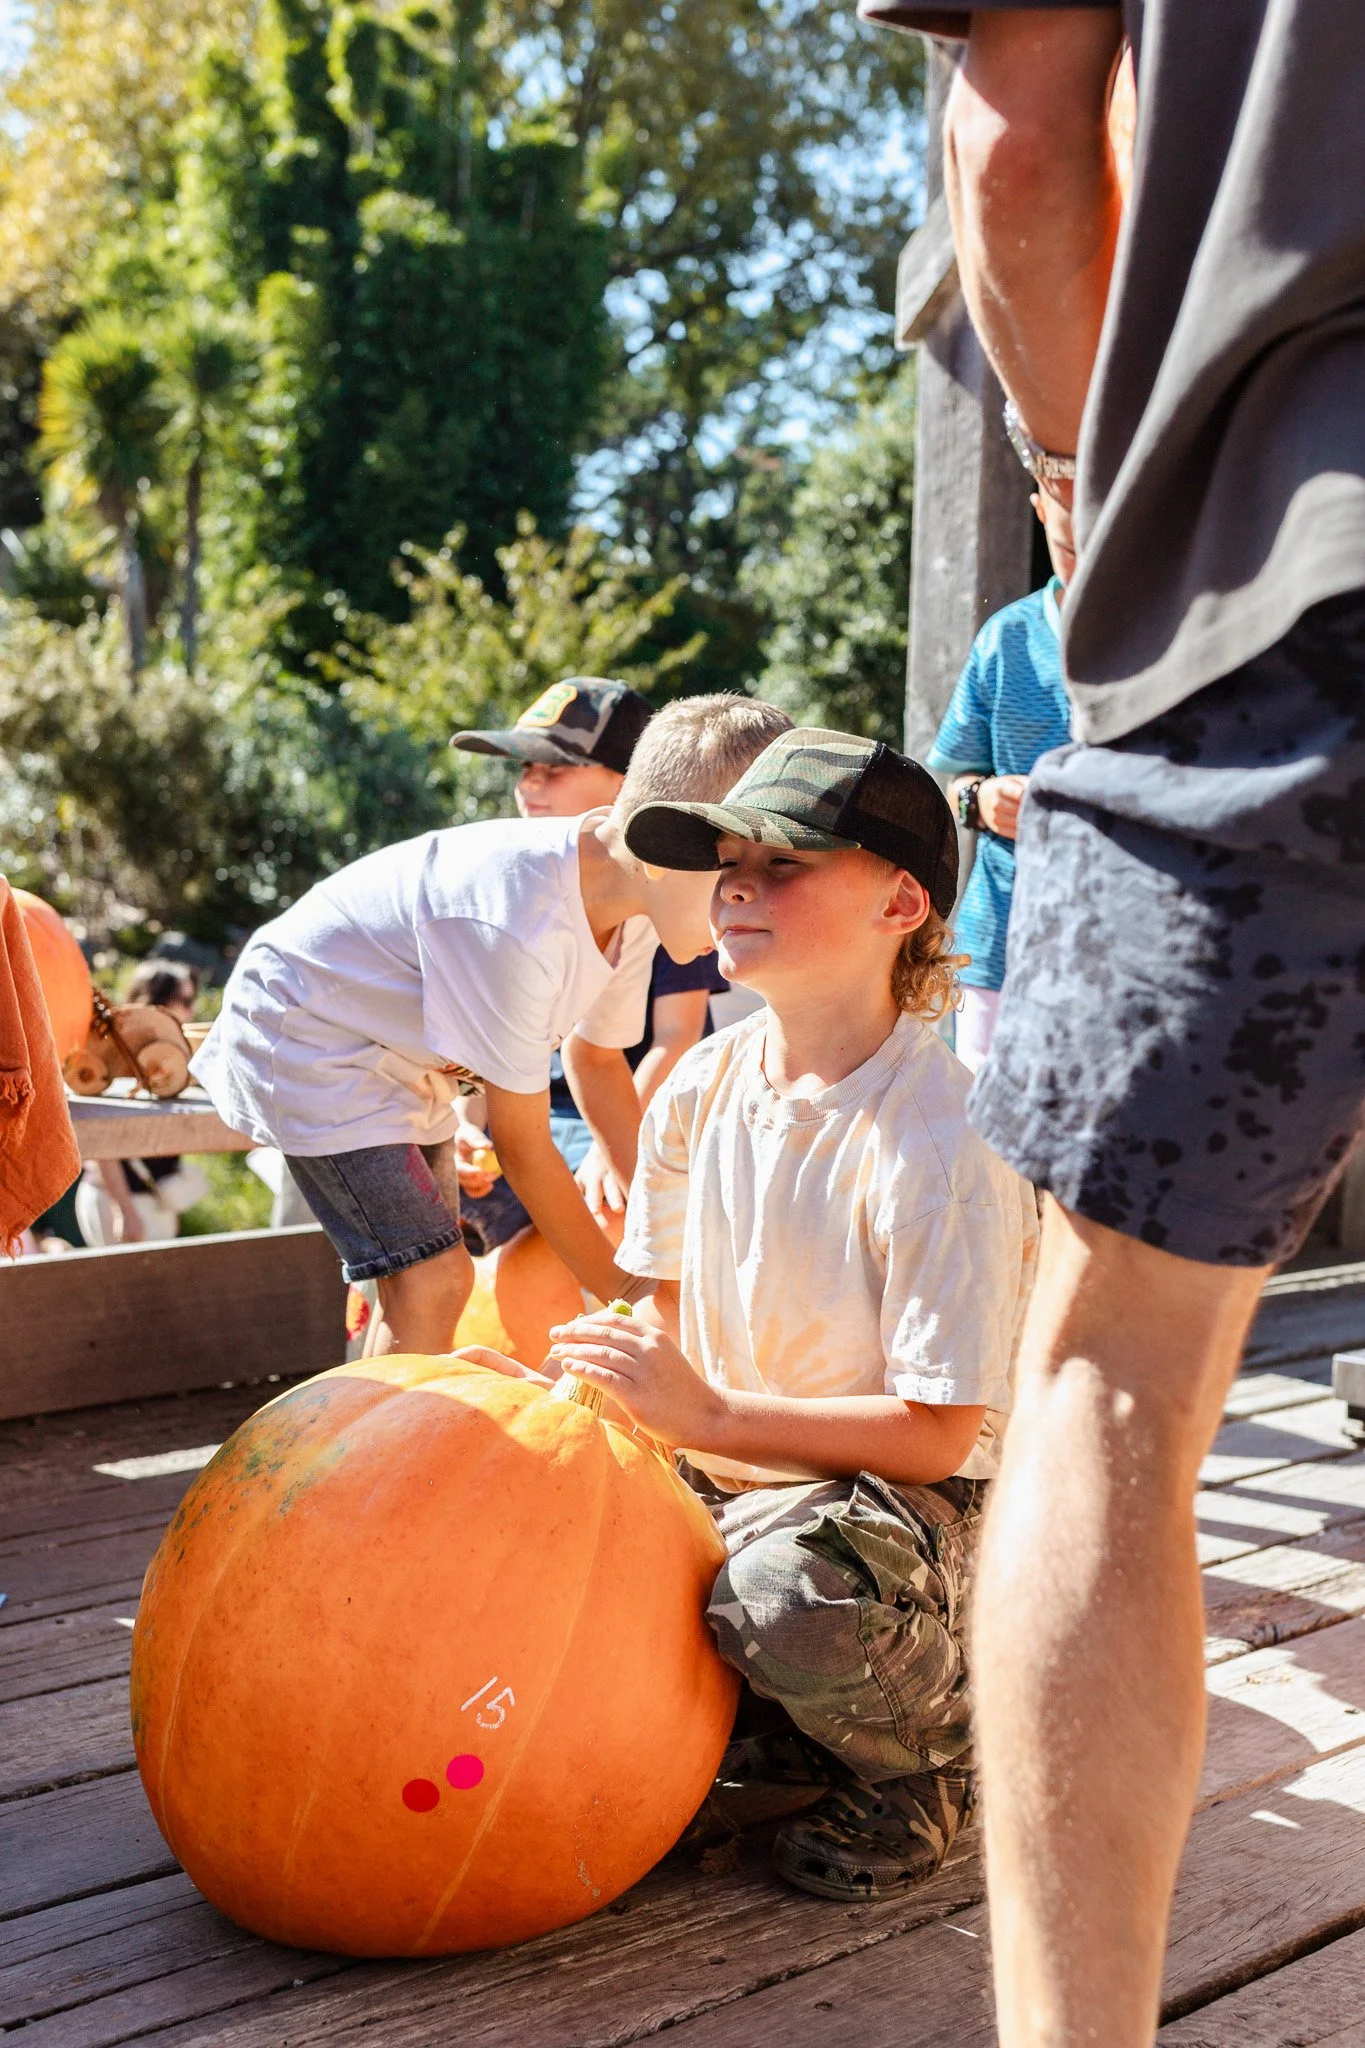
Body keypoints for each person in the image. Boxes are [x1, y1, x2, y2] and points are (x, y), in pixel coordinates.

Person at [857, 4, 1365, 2040]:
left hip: (1270, 570)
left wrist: (1083, 483)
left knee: (1113, 1388)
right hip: (1031, 914)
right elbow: (970, 768)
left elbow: (1017, 140)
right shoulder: (983, 676)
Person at [464, 728, 1037, 1899]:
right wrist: (589, 1403)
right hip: (731, 1466)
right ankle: (779, 1732)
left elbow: (936, 1432)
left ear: (902, 898)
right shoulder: (703, 1087)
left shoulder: (943, 1136)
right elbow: (660, 1315)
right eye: (727, 861)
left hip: (914, 1503)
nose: (736, 884)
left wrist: (713, 1410)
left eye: (784, 863)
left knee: (786, 1596)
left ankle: (946, 1753)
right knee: (530, 1540)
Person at [192, 695, 790, 1355]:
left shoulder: (635, 895)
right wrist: (632, 1296)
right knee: (431, 1281)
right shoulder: (519, 925)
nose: (745, 902)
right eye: (731, 875)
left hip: (395, 1055)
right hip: (305, 1034)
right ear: (660, 848)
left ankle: (374, 1435)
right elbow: (523, 1146)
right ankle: (378, 1456)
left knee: (421, 1284)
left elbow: (596, 1064)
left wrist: (652, 1239)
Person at [449, 677, 732, 1251]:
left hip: (626, 1112)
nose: (530, 782)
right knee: (432, 1221)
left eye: (553, 768)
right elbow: (490, 1041)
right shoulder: (514, 892)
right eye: (524, 768)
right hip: (530, 1112)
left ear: (629, 789)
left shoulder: (663, 891)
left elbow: (674, 1040)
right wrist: (462, 1125)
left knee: (607, 1210)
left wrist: (611, 1150)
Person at [927, 489, 1073, 1072]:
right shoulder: (1006, 637)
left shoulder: (1178, 632)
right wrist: (978, 798)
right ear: (1039, 508)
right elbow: (953, 781)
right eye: (1067, 541)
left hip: (1128, 939)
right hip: (1000, 939)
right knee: (986, 1146)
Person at [75, 960, 206, 1246]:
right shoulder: (116, 1059)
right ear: (156, 1004)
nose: (191, 1009)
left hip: (147, 1200)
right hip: (121, 1201)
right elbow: (101, 1143)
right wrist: (124, 1209)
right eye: (183, 1001)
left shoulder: (167, 1059)